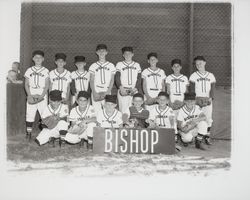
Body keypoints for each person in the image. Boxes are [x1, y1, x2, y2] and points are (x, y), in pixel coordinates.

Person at [189, 56, 216, 145]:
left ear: (204, 63)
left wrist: (210, 98)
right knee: (196, 118)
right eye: (196, 64)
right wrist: (196, 100)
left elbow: (212, 89)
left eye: (200, 63)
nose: (198, 65)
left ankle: (207, 137)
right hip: (197, 99)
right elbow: (192, 90)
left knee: (208, 118)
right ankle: (196, 137)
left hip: (207, 99)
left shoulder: (211, 75)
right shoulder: (193, 76)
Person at [24, 50, 49, 140]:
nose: (38, 59)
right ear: (33, 59)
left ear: (43, 59)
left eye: (40, 57)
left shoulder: (46, 70)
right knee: (30, 113)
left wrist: (42, 96)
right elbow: (26, 84)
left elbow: (47, 85)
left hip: (42, 94)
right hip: (32, 92)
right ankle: (29, 133)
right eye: (36, 57)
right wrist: (29, 95)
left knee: (44, 114)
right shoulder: (29, 70)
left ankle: (44, 134)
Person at [89, 44, 116, 113]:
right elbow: (91, 80)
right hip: (96, 89)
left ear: (106, 52)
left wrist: (108, 92)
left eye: (103, 51)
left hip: (106, 89)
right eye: (99, 51)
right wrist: (94, 92)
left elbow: (112, 80)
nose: (101, 53)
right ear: (97, 53)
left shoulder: (111, 65)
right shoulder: (93, 66)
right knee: (96, 111)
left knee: (108, 110)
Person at [115, 46, 142, 113]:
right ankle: (124, 123)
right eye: (126, 54)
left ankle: (133, 123)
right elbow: (117, 77)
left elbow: (139, 78)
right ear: (123, 55)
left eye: (129, 53)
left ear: (132, 54)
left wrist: (136, 88)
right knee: (123, 110)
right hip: (123, 89)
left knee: (134, 109)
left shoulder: (137, 65)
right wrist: (121, 87)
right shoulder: (119, 64)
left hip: (133, 89)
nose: (127, 55)